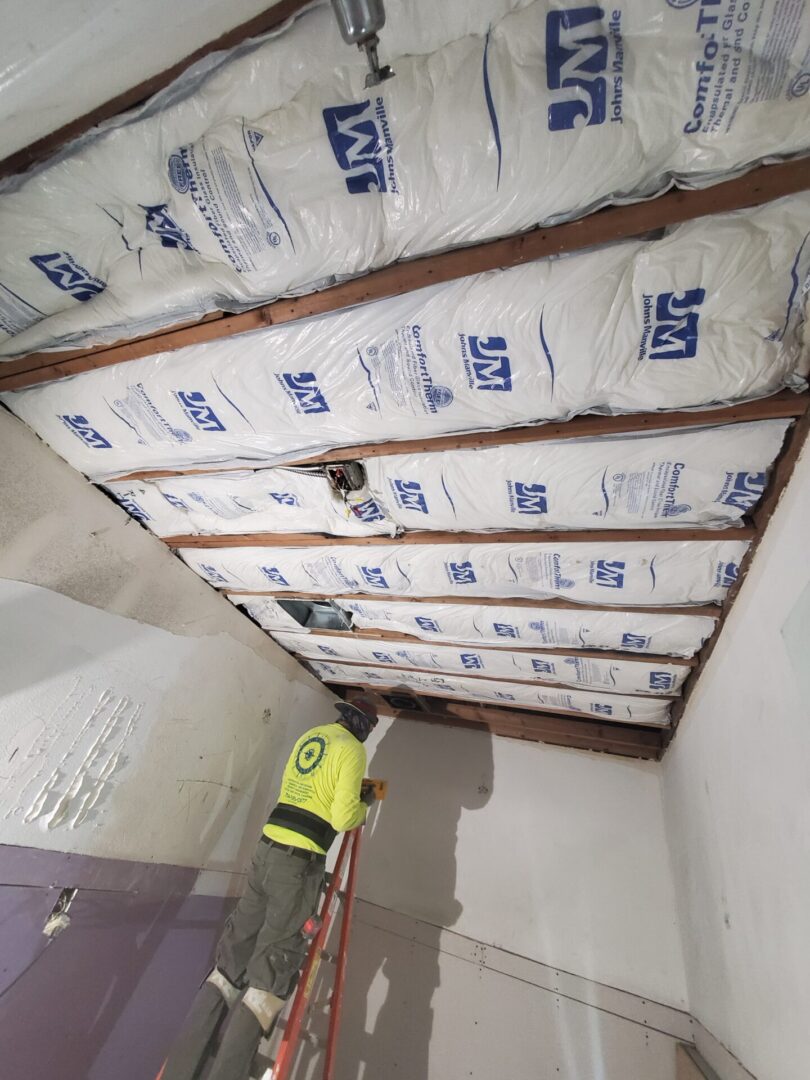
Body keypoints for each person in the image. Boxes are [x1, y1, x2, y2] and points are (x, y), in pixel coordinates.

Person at [160, 696, 379, 1080]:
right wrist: (364, 805)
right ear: (364, 727)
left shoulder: (312, 736)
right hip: (296, 866)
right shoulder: (353, 751)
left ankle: (180, 1071)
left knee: (229, 967)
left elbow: (304, 793)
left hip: (266, 851)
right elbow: (344, 818)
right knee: (270, 976)